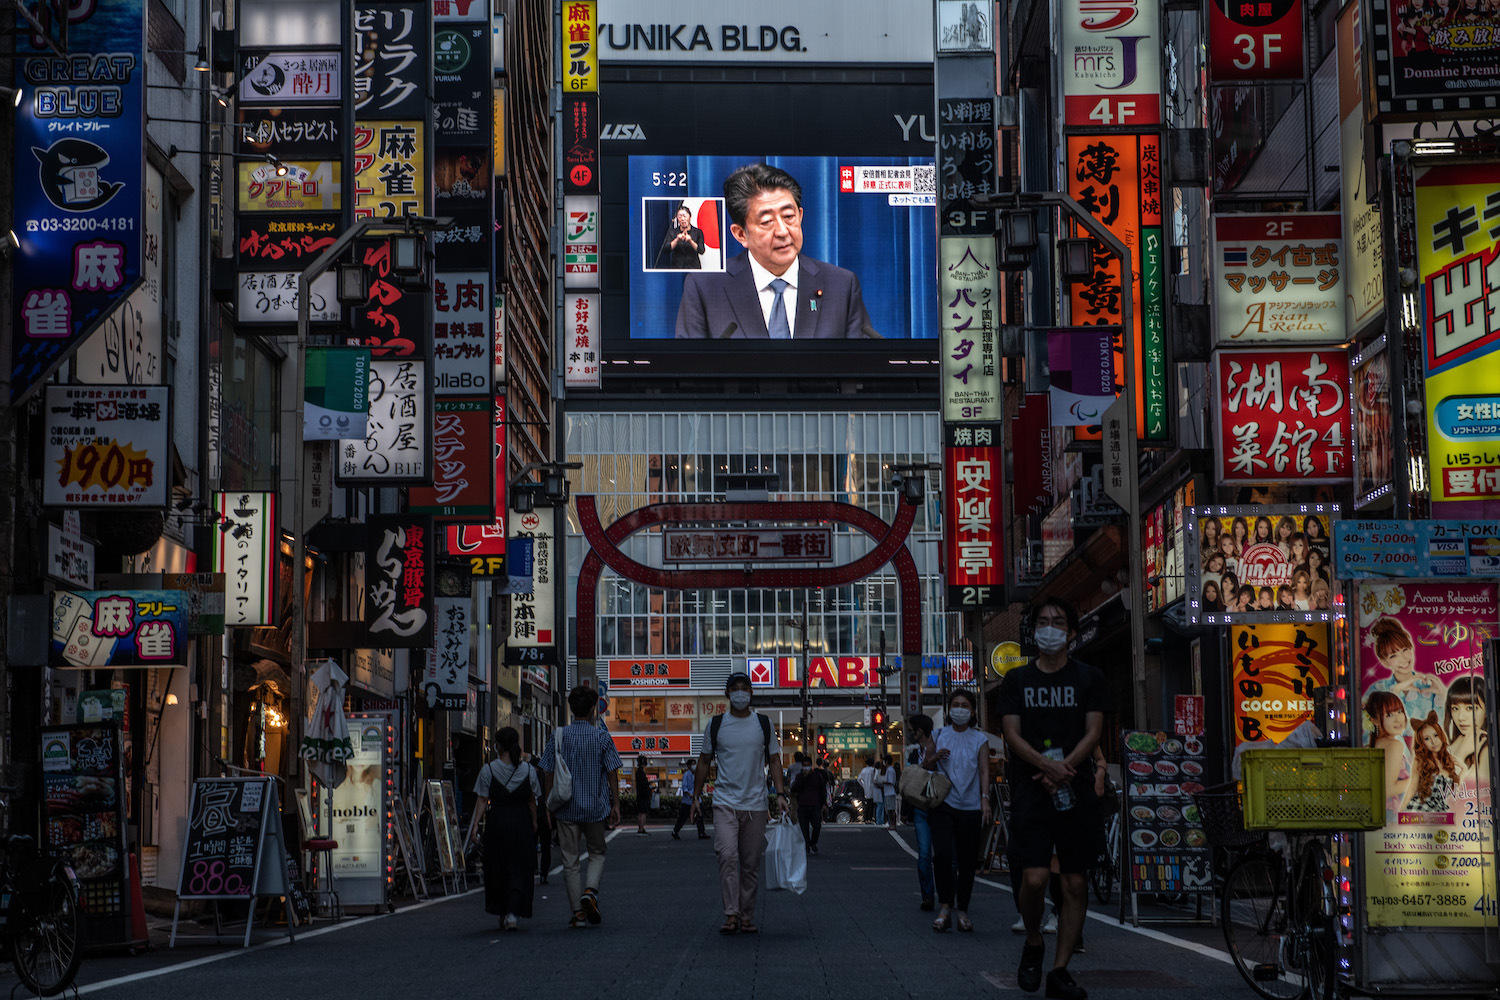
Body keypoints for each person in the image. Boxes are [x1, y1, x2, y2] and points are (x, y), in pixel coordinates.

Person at [1000, 598, 1109, 1000]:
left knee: (1075, 883)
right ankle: (1033, 940)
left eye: (1058, 621)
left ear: (1072, 632)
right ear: (1033, 631)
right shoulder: (1016, 681)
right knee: (1034, 877)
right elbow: (1012, 735)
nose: (1050, 628)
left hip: (1075, 791)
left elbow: (1093, 731)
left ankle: (1060, 971)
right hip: (1032, 789)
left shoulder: (1089, 677)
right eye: (1043, 622)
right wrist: (1047, 767)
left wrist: (1066, 768)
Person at [675, 163, 876, 339]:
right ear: (740, 234)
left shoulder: (841, 285)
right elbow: (689, 372)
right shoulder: (704, 286)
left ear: (800, 216)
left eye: (789, 216)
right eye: (766, 221)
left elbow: (862, 368)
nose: (782, 231)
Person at [690, 672, 789, 934]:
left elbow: (776, 760)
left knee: (750, 862)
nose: (740, 692)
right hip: (724, 802)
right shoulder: (716, 724)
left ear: (752, 693)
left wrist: (780, 794)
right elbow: (703, 761)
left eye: (745, 688)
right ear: (727, 694)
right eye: (735, 688)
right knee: (727, 855)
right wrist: (696, 797)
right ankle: (731, 913)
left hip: (756, 804)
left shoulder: (764, 725)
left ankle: (746, 915)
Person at [538, 686, 623, 929]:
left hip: (566, 808)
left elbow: (547, 769)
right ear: (594, 708)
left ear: (571, 708)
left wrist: (549, 802)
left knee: (570, 860)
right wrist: (616, 803)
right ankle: (590, 890)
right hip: (595, 808)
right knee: (597, 852)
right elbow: (612, 771)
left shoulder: (559, 736)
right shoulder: (601, 737)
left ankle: (578, 913)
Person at [922, 688, 991, 934]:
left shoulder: (980, 739)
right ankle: (944, 907)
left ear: (972, 711)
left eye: (965, 705)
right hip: (943, 804)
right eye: (956, 705)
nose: (960, 709)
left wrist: (985, 799)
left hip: (971, 805)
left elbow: (984, 771)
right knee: (941, 855)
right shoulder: (939, 734)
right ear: (950, 709)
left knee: (967, 860)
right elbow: (925, 765)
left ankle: (962, 909)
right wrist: (935, 756)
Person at [464, 727, 540, 931]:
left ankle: (502, 910)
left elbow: (481, 800)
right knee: (520, 868)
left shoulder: (488, 770)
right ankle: (514, 913)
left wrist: (474, 828)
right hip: (521, 822)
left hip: (497, 823)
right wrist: (534, 822)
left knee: (497, 867)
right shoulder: (528, 770)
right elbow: (533, 800)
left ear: (498, 746)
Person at [1366, 617, 1442, 725]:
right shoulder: (1377, 690)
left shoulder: (1428, 686)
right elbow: (1368, 728)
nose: (1404, 659)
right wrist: (1394, 693)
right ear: (1385, 662)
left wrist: (1442, 695)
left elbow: (1441, 730)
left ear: (1412, 649)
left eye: (1405, 650)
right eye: (1393, 656)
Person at [906, 714, 939, 911]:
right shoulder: (913, 753)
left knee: (944, 854)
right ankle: (927, 895)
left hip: (940, 804)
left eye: (912, 730)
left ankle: (947, 894)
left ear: (921, 730)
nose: (911, 733)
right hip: (921, 806)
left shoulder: (939, 746)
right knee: (924, 853)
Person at [1365, 690, 1411, 820]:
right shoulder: (1394, 745)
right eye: (1389, 715)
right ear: (1374, 720)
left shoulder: (1374, 745)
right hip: (1390, 816)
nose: (1398, 719)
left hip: (1379, 814)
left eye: (1399, 712)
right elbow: (1388, 790)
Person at [1406, 712, 1460, 812]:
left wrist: (1464, 768)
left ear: (1441, 735)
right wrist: (1399, 816)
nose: (1433, 742)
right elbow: (1412, 789)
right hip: (1420, 809)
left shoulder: (1448, 760)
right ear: (1422, 743)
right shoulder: (1420, 761)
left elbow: (1456, 791)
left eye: (1436, 735)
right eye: (1427, 739)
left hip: (1439, 812)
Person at [790, 752, 829, 855]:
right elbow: (794, 788)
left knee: (817, 826)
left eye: (808, 766)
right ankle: (807, 845)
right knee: (804, 828)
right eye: (804, 766)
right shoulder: (799, 777)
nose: (806, 768)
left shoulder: (817, 776)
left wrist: (824, 803)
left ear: (811, 766)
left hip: (815, 804)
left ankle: (813, 843)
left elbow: (822, 790)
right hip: (802, 805)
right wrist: (803, 778)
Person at [655, 204, 706, 269]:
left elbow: (701, 250)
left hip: (693, 267)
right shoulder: (673, 231)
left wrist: (690, 241)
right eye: (680, 216)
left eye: (684, 216)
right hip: (677, 267)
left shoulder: (698, 232)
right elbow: (666, 249)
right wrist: (677, 239)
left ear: (690, 217)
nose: (682, 219)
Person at [672, 757, 709, 840]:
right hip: (688, 801)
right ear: (688, 766)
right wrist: (690, 795)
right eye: (692, 764)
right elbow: (684, 788)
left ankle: (701, 833)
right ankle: (675, 831)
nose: (694, 766)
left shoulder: (697, 774)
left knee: (700, 815)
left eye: (694, 764)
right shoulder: (686, 775)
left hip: (696, 800)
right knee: (683, 817)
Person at [634, 756, 652, 835]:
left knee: (640, 812)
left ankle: (640, 828)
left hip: (639, 795)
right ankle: (641, 828)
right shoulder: (641, 772)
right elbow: (644, 784)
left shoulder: (638, 772)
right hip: (643, 795)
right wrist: (649, 786)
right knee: (643, 812)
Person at [859, 756, 879, 823]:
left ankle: (866, 818)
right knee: (872, 805)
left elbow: (859, 779)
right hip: (873, 789)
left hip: (866, 789)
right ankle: (870, 818)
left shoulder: (864, 770)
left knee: (867, 804)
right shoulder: (873, 770)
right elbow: (876, 779)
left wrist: (863, 785)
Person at [882, 757, 901, 829]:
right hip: (889, 792)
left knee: (891, 810)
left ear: (886, 761)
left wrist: (882, 781)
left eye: (884, 761)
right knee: (890, 809)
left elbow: (890, 781)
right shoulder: (890, 770)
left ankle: (892, 824)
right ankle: (892, 824)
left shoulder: (890, 770)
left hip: (889, 792)